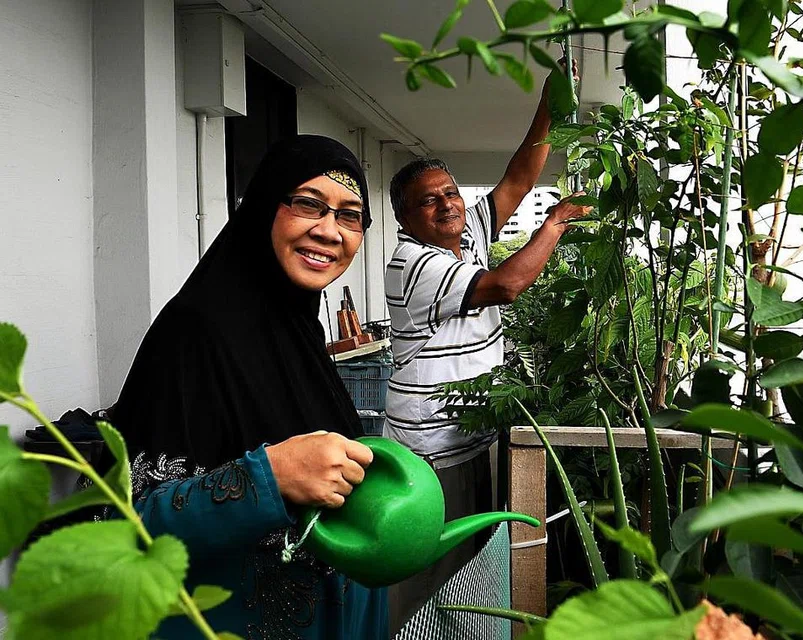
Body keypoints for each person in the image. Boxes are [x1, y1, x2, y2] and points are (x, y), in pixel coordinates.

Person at [105, 136, 387, 639]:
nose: (328, 230)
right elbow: (117, 528)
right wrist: (268, 478)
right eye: (308, 204)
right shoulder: (195, 331)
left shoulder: (299, 335)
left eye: (350, 215)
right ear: (263, 208)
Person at [383, 63, 591, 630]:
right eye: (429, 201)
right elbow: (506, 284)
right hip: (430, 445)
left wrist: (551, 101)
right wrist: (554, 225)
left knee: (472, 562)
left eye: (450, 192)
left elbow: (519, 177)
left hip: (468, 431)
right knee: (431, 567)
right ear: (405, 218)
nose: (448, 204)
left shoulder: (465, 237)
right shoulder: (413, 262)